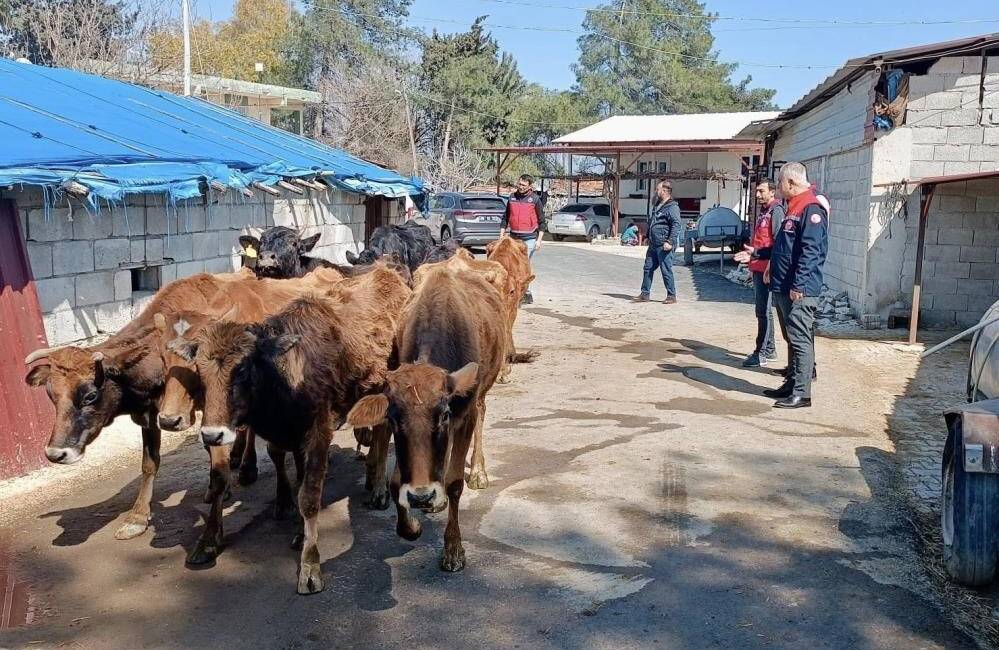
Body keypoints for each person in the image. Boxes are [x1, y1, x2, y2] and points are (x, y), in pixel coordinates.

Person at [763, 162, 829, 409]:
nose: (778, 188)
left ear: (790, 182)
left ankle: (802, 393)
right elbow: (785, 245)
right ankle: (791, 384)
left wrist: (799, 284)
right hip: (783, 284)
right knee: (791, 337)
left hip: (798, 288)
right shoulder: (793, 206)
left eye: (779, 183)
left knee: (800, 339)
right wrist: (771, 265)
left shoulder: (811, 208)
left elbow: (811, 251)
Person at [734, 179, 784, 368]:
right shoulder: (765, 212)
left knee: (762, 312)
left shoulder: (776, 211)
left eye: (761, 191)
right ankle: (769, 350)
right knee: (765, 311)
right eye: (757, 191)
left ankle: (760, 352)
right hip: (759, 267)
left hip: (767, 269)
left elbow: (779, 243)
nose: (757, 195)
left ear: (772, 192)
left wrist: (770, 267)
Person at [633, 180, 682, 304]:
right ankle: (645, 294)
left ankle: (671, 296)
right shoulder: (658, 205)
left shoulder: (672, 207)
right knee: (648, 268)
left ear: (665, 191)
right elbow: (653, 222)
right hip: (654, 244)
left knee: (666, 270)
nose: (656, 191)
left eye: (658, 189)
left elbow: (676, 225)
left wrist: (670, 241)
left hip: (664, 244)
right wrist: (648, 236)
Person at [500, 173, 545, 304]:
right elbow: (505, 218)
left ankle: (525, 292)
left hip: (529, 238)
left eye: (523, 185)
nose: (520, 187)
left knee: (522, 265)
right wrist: (501, 235)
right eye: (519, 184)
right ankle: (514, 291)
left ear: (529, 186)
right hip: (513, 238)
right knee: (511, 265)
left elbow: (542, 221)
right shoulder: (512, 198)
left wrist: (539, 240)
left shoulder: (535, 200)